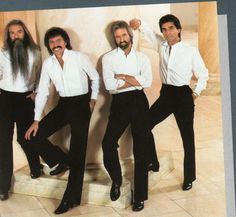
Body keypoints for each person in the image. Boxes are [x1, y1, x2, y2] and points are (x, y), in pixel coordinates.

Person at [25, 27, 100, 214]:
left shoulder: (79, 57)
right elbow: (42, 91)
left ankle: (71, 199)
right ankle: (62, 160)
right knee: (35, 136)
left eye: (58, 40)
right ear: (48, 46)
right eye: (51, 42)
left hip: (82, 104)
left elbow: (95, 77)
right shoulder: (48, 63)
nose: (55, 44)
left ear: (65, 41)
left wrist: (93, 99)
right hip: (64, 104)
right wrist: (36, 120)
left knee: (78, 150)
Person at [130, 14, 209, 191]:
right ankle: (152, 161)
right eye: (164, 29)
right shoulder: (161, 45)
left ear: (179, 29)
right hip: (166, 94)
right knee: (144, 125)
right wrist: (139, 23)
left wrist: (196, 92)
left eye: (171, 28)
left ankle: (190, 177)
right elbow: (149, 32)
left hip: (183, 96)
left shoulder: (190, 51)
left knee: (187, 138)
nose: (168, 32)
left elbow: (203, 73)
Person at [102, 20, 159, 212]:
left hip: (139, 102)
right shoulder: (108, 58)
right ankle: (116, 180)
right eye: (117, 37)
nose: (121, 39)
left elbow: (147, 82)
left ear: (130, 36)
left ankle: (140, 196)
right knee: (108, 142)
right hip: (119, 104)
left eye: (124, 35)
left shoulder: (142, 58)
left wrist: (124, 77)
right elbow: (110, 85)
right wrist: (134, 80)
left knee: (141, 148)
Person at [0, 19, 44, 201]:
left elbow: (42, 76)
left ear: (25, 33)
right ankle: (3, 185)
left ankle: (35, 166)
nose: (16, 35)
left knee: (25, 137)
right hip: (4, 98)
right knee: (3, 142)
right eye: (12, 33)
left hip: (25, 99)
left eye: (19, 31)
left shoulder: (35, 53)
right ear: (8, 36)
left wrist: (37, 93)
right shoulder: (1, 53)